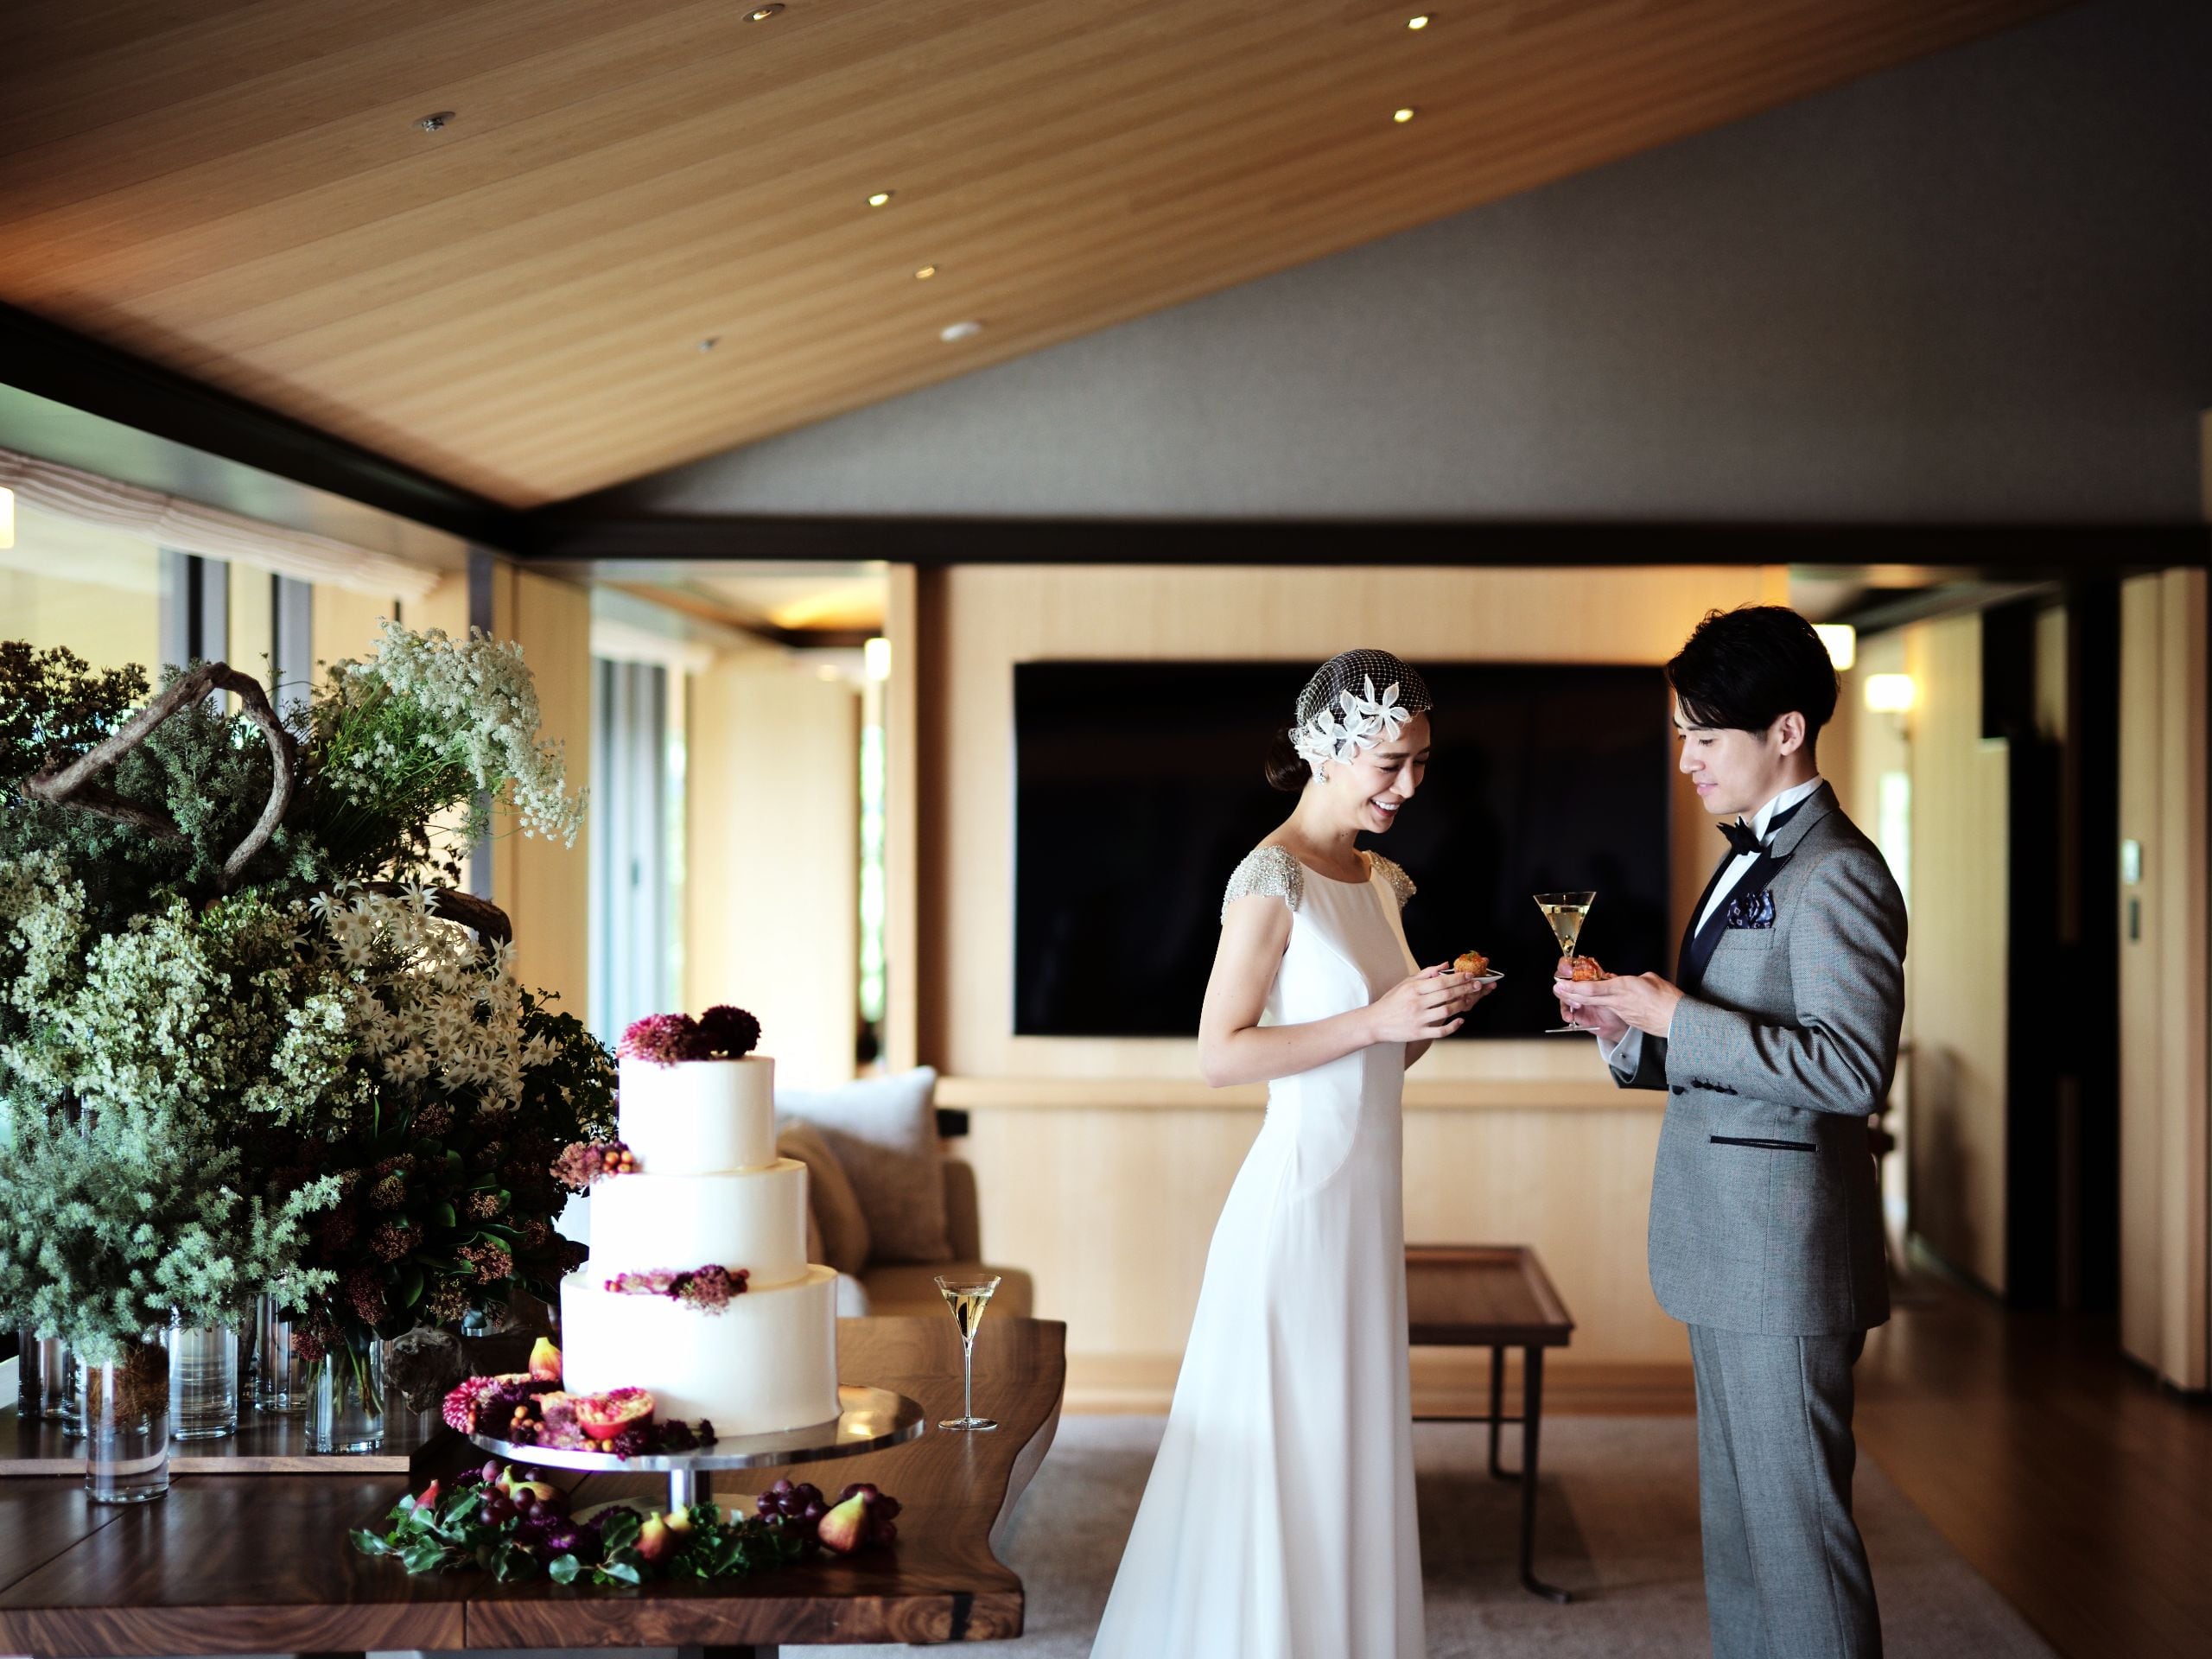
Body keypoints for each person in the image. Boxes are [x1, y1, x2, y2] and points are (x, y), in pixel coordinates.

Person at [1090, 648, 1493, 1659]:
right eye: (1390, 762)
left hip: (1364, 1204)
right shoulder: (1269, 878)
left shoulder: (1382, 879)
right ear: (1329, 750)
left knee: (1347, 1448)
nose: (1409, 784)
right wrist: (1377, 1020)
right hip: (1298, 1205)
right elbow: (1219, 1057)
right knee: (1292, 1449)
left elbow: (1375, 1070)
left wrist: (1422, 1023)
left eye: (1421, 761)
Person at [1554, 606, 1904, 1659]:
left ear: (1785, 730)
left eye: (1704, 737)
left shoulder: (1836, 870)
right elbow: (1715, 1047)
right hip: (1725, 1249)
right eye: (1680, 738)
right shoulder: (1746, 862)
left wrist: (1677, 1014)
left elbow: (1850, 1071)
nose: (1687, 762)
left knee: (1799, 1546)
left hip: (1784, 1259)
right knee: (1742, 1540)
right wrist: (1626, 1027)